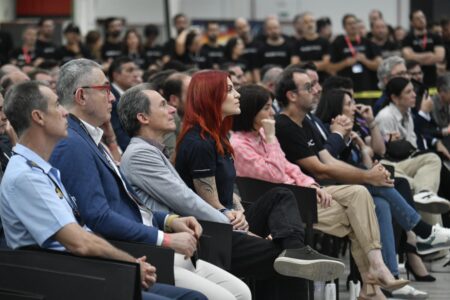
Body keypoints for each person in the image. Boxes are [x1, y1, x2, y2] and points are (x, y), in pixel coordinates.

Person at [48, 59, 248, 300]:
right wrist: (164, 238)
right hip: (137, 250)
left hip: (151, 239)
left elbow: (128, 204)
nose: (112, 98)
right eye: (106, 90)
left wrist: (171, 220)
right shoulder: (73, 143)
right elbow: (98, 216)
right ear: (81, 96)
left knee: (241, 292)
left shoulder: (89, 137)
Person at [0, 80, 205, 300]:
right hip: (66, 280)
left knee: (193, 297)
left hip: (85, 270)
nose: (64, 112)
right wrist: (129, 263)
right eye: (57, 105)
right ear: (38, 117)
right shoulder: (27, 175)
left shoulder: (40, 167)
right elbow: (79, 241)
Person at [232, 83, 417, 299]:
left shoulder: (262, 135)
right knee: (358, 217)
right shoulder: (239, 143)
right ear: (250, 110)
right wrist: (272, 139)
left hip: (302, 191)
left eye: (271, 106)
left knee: (358, 193)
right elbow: (274, 175)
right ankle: (372, 284)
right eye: (265, 108)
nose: (272, 112)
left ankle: (375, 268)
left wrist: (313, 185)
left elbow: (290, 168)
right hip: (284, 205)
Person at [329, 14, 381, 91]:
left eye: (354, 23)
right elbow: (330, 68)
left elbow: (379, 65)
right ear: (344, 27)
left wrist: (365, 61)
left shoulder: (368, 42)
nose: (352, 26)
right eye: (349, 24)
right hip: (345, 88)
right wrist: (345, 63)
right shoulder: (337, 44)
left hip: (367, 89)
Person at [402, 10, 445, 87]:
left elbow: (439, 57)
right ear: (412, 22)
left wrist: (416, 57)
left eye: (422, 17)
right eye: (417, 18)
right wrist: (429, 55)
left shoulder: (435, 37)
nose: (421, 20)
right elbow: (408, 57)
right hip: (413, 79)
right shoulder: (407, 39)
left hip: (432, 77)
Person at [108, 56, 140, 150]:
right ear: (116, 75)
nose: (135, 75)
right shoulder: (110, 98)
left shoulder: (132, 94)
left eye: (135, 70)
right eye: (130, 71)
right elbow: (119, 134)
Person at [291, 12, 330, 83]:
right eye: (306, 22)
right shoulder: (297, 44)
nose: (309, 24)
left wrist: (304, 65)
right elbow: (295, 65)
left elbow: (327, 64)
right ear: (302, 26)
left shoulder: (324, 42)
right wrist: (317, 64)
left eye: (312, 21)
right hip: (304, 81)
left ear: (315, 23)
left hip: (322, 80)